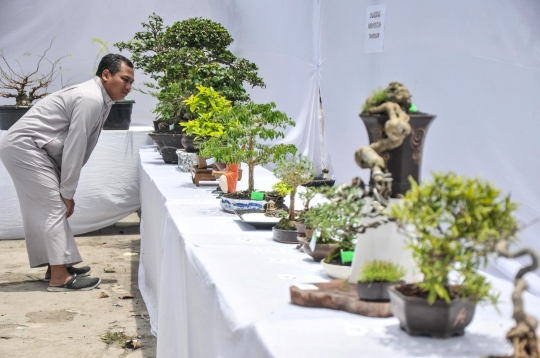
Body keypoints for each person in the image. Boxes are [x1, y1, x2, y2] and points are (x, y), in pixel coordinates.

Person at [0, 54, 134, 292]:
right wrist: (67, 192)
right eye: (124, 79)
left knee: (47, 206)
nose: (128, 87)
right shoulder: (90, 98)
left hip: (32, 148)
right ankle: (59, 278)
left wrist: (65, 188)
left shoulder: (100, 99)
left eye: (131, 82)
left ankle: (56, 266)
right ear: (105, 75)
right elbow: (76, 145)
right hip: (25, 147)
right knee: (54, 206)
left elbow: (77, 146)